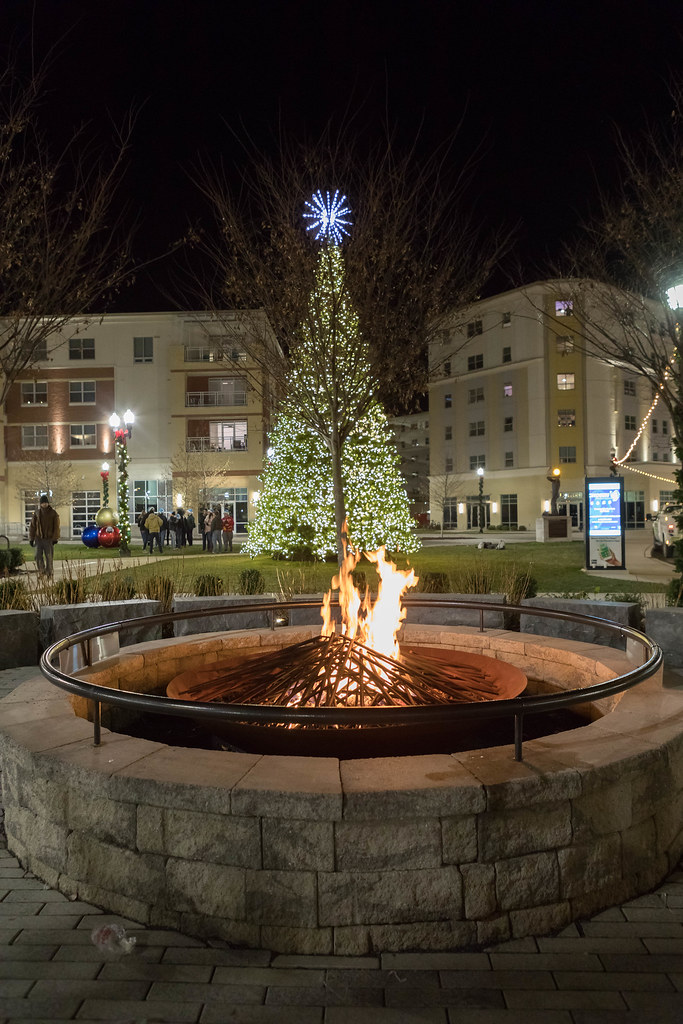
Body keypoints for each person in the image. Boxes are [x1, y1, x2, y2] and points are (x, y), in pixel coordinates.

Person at [29, 495, 60, 577]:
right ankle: (41, 571)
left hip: (48, 539)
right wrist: (31, 538)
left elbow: (56, 526)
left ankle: (49, 572)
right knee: (37, 556)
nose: (44, 504)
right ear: (40, 504)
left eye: (46, 502)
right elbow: (32, 527)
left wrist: (55, 538)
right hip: (38, 538)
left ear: (48, 503)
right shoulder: (37, 513)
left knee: (49, 557)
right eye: (43, 503)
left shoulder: (53, 513)